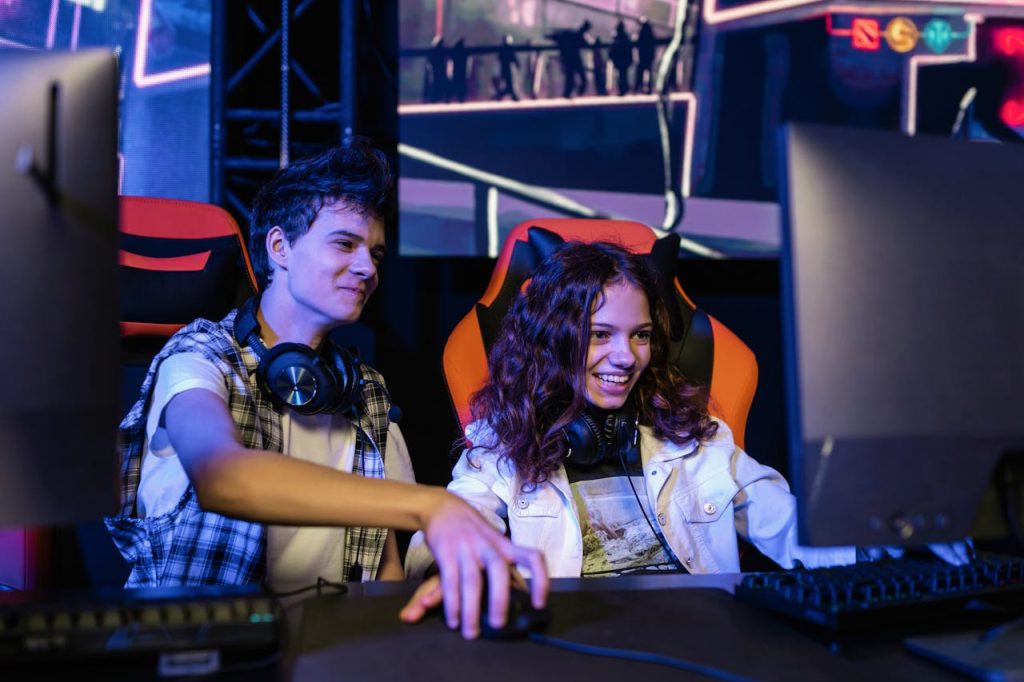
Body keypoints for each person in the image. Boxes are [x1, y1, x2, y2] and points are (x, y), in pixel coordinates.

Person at [105, 140, 547, 639]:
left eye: (375, 253)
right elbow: (221, 476)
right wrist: (432, 504)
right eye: (345, 244)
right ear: (280, 248)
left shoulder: (364, 392)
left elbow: (384, 570)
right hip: (195, 648)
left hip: (330, 651)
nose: (368, 269)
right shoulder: (203, 357)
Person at [406, 240, 972, 581]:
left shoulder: (699, 440)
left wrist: (895, 529)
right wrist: (457, 567)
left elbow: (793, 530)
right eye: (600, 334)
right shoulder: (500, 448)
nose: (625, 357)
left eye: (641, 335)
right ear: (554, 339)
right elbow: (447, 535)